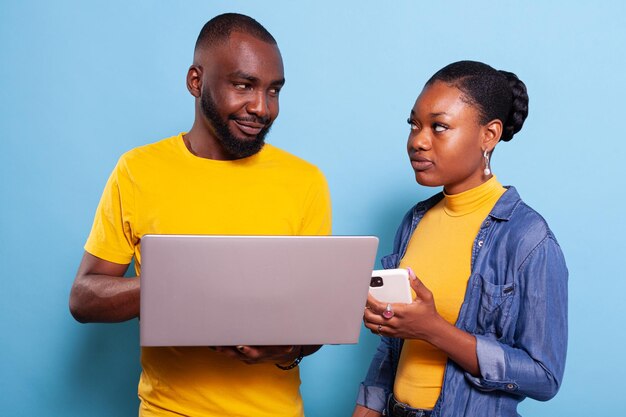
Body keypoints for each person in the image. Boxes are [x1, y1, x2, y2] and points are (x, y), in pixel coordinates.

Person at [69, 13, 331, 417]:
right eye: (243, 85)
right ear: (196, 81)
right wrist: (182, 284)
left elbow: (313, 324)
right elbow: (84, 297)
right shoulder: (138, 171)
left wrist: (286, 350)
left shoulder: (305, 181)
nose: (262, 108)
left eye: (273, 91)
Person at [352, 61, 568, 417]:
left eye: (439, 127)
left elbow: (544, 376)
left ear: (489, 135)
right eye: (414, 125)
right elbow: (391, 347)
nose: (418, 141)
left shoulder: (529, 239)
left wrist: (435, 330)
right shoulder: (415, 221)